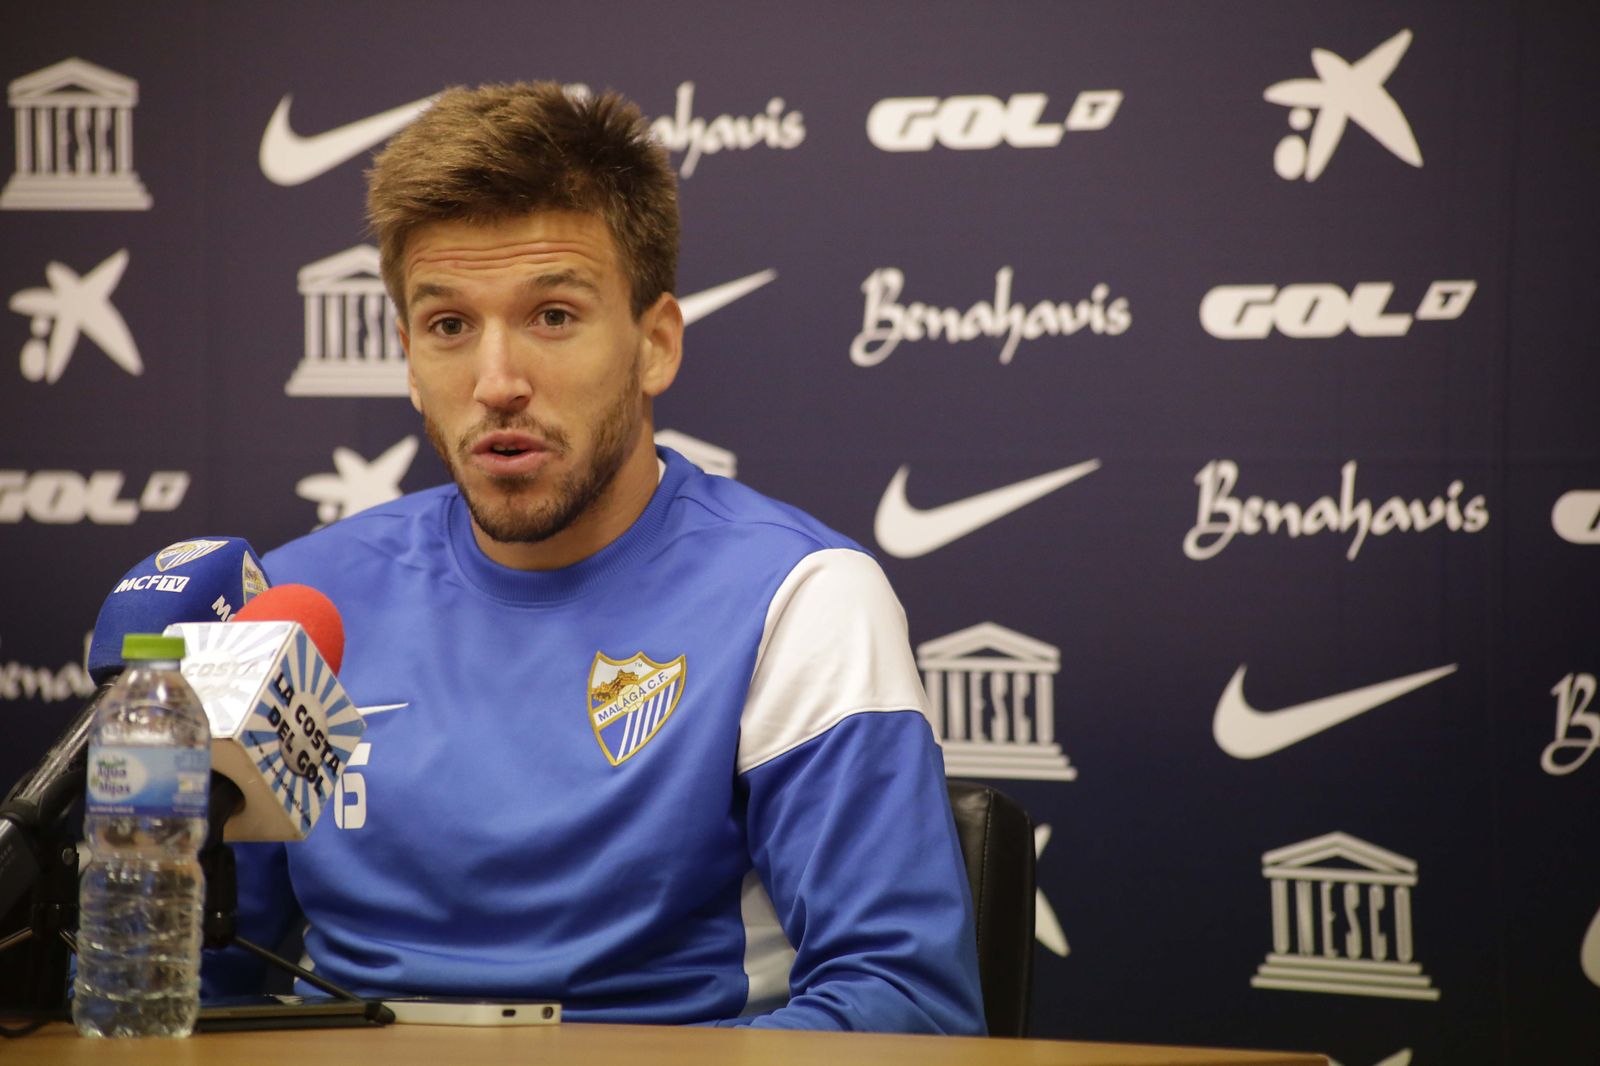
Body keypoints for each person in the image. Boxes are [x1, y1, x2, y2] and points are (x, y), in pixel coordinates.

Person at [203, 81, 984, 1033]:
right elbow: (184, 984)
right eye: (450, 327)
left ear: (654, 345)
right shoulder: (295, 599)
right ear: (407, 358)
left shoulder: (798, 599)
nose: (496, 384)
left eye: (553, 316)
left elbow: (907, 1010)